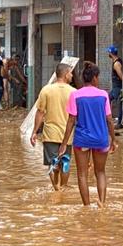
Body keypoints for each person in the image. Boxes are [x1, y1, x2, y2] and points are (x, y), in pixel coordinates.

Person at [57, 61, 117, 206]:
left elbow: (71, 121)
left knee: (82, 174)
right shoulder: (103, 95)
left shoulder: (75, 95)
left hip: (82, 140)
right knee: (100, 172)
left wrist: (64, 144)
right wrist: (113, 140)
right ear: (95, 78)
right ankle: (102, 203)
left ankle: (87, 206)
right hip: (101, 139)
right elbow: (109, 120)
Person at [30, 59, 74, 191]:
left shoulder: (46, 90)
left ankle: (56, 188)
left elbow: (40, 113)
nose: (72, 76)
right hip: (68, 135)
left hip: (50, 134)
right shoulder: (73, 92)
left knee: (52, 163)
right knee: (65, 163)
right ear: (66, 74)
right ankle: (63, 188)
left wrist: (34, 132)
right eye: (71, 73)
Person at [107, 45, 123, 128]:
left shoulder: (116, 64)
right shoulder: (116, 61)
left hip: (118, 87)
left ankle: (120, 123)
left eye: (108, 52)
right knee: (108, 98)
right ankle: (114, 120)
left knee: (120, 104)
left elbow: (121, 75)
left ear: (111, 53)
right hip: (116, 87)